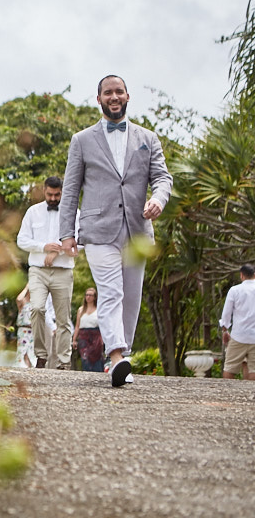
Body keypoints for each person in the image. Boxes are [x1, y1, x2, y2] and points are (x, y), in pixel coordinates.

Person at [60, 75, 173, 387]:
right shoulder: (81, 140)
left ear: (127, 96)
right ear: (98, 99)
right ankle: (117, 357)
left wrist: (158, 200)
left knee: (131, 298)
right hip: (98, 230)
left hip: (137, 230)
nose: (113, 96)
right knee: (111, 292)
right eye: (107, 92)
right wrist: (66, 233)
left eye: (118, 91)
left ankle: (121, 356)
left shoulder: (148, 139)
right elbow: (70, 191)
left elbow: (163, 178)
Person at [16, 176, 76, 369]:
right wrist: (44, 247)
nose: (53, 198)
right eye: (50, 194)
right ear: (44, 191)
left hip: (63, 271)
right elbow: (22, 240)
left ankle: (63, 361)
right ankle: (41, 355)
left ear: (62, 192)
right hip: (38, 270)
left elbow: (80, 243)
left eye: (57, 195)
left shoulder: (73, 213)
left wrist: (57, 250)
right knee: (37, 308)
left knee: (63, 318)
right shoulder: (33, 212)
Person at [219, 263, 255, 380]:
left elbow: (226, 314)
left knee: (229, 369)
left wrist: (225, 331)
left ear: (241, 275)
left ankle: (228, 395)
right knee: (253, 370)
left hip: (239, 336)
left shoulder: (235, 290)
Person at [72, 287, 104, 372]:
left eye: (90, 295)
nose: (88, 297)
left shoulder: (99, 310)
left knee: (96, 358)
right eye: (87, 295)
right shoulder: (81, 310)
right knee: (85, 357)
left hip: (95, 335)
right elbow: (77, 326)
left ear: (94, 297)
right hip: (83, 336)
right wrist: (74, 339)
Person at [14, 285, 36, 368]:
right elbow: (18, 299)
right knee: (22, 350)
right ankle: (22, 366)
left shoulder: (36, 303)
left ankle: (29, 366)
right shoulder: (24, 301)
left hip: (33, 330)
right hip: (23, 329)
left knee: (31, 351)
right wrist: (26, 288)